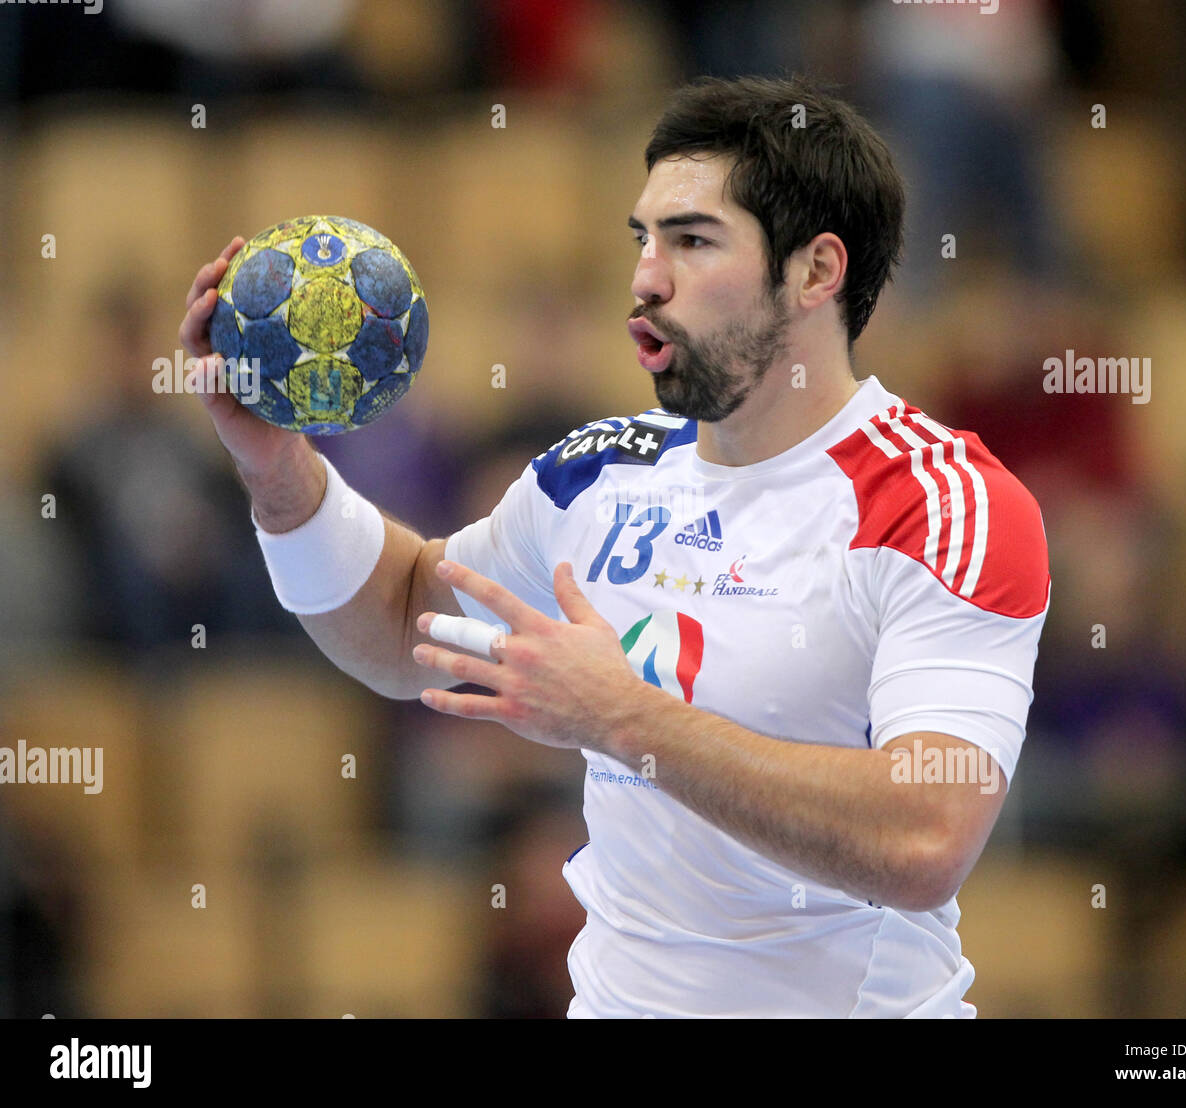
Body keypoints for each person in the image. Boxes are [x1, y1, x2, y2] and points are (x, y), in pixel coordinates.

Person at [178, 74, 1050, 1018]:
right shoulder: (598, 475)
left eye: (692, 241)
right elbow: (399, 623)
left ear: (815, 271)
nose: (645, 279)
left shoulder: (941, 504)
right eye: (643, 239)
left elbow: (925, 839)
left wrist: (624, 721)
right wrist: (276, 469)